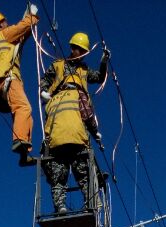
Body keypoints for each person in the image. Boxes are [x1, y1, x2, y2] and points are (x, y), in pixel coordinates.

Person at [40, 32, 109, 214]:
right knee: (77, 172)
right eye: (80, 50)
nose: (82, 54)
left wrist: (103, 62)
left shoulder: (82, 71)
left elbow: (100, 77)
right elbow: (86, 113)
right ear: (73, 48)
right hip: (73, 136)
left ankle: (67, 206)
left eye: (84, 52)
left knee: (61, 173)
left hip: (57, 135)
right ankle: (90, 205)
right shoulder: (65, 72)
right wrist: (95, 132)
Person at [0, 6, 39, 166]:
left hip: (2, 83)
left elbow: (22, 36)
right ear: (0, 24)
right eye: (4, 21)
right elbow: (22, 27)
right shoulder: (5, 34)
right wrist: (33, 17)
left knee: (22, 114)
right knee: (24, 108)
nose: (7, 23)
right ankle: (20, 140)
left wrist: (29, 24)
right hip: (9, 79)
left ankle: (24, 154)